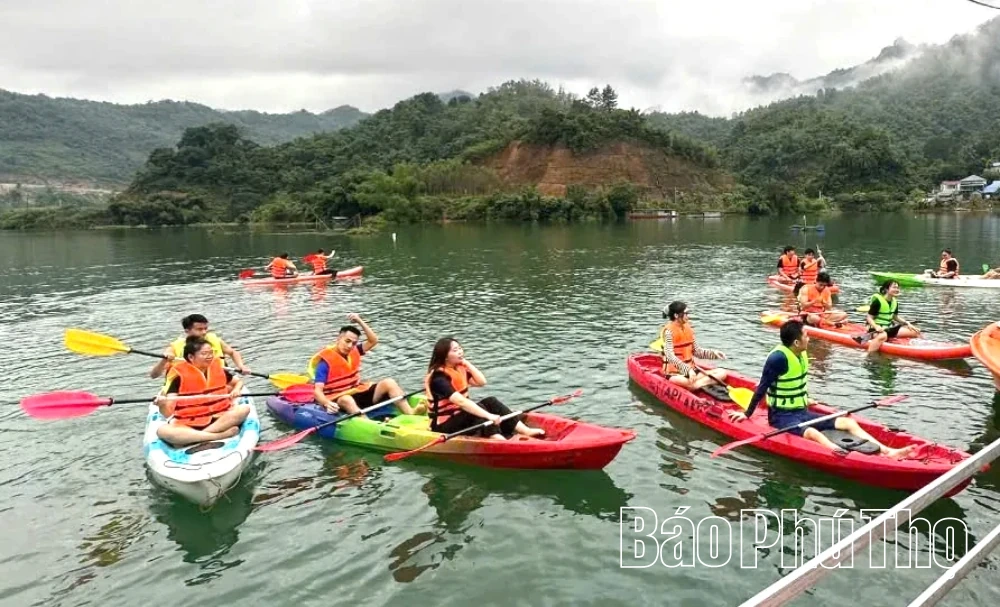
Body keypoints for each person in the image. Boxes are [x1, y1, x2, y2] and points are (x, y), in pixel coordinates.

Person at [727, 320, 914, 458]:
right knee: (812, 433)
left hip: (801, 411)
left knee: (848, 423)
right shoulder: (778, 358)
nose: (809, 338)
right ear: (797, 343)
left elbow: (794, 382)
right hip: (781, 417)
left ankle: (888, 451)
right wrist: (747, 414)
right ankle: (838, 454)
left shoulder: (799, 355)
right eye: (806, 335)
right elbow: (762, 388)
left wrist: (806, 398)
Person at [424, 337, 544, 439]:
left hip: (460, 417)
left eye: (460, 348)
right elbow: (460, 401)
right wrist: (489, 416)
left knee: (491, 401)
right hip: (442, 426)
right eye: (455, 350)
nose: (460, 352)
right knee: (478, 410)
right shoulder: (438, 378)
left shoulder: (458, 368)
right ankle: (497, 438)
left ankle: (525, 430)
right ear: (445, 356)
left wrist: (467, 364)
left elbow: (481, 382)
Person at [309, 313, 423, 416]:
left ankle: (410, 412)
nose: (349, 346)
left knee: (389, 382)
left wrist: (359, 321)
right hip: (338, 399)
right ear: (339, 339)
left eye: (353, 343)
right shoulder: (325, 362)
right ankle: (365, 421)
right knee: (347, 399)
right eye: (347, 341)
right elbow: (317, 391)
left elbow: (373, 340)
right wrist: (327, 403)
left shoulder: (355, 351)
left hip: (357, 392)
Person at [154, 337, 252, 446]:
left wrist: (237, 390)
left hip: (219, 417)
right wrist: (161, 405)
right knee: (162, 431)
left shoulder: (218, 369)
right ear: (191, 357)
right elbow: (168, 414)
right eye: (204, 353)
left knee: (243, 409)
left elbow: (238, 382)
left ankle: (196, 437)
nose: (210, 356)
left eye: (211, 352)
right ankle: (218, 436)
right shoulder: (179, 377)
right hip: (189, 423)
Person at [149, 314, 250, 379]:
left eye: (206, 328)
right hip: (189, 383)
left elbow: (233, 352)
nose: (204, 332)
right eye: (199, 329)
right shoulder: (175, 347)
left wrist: (241, 366)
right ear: (187, 331)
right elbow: (154, 375)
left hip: (217, 378)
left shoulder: (214, 340)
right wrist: (163, 360)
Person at [658, 301, 728, 391]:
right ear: (676, 315)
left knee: (722, 373)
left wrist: (714, 353)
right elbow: (670, 356)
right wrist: (688, 370)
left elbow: (697, 351)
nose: (688, 316)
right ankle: (696, 384)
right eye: (685, 313)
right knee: (687, 382)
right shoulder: (669, 332)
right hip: (674, 373)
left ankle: (696, 385)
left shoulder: (688, 328)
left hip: (692, 371)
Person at [857, 280, 921, 353]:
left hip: (889, 328)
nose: (897, 290)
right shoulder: (877, 302)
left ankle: (922, 348)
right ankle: (867, 354)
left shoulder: (895, 302)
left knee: (916, 332)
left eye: (897, 288)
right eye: (894, 287)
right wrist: (876, 327)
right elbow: (869, 317)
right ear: (886, 289)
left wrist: (907, 323)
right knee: (883, 336)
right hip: (876, 330)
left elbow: (895, 317)